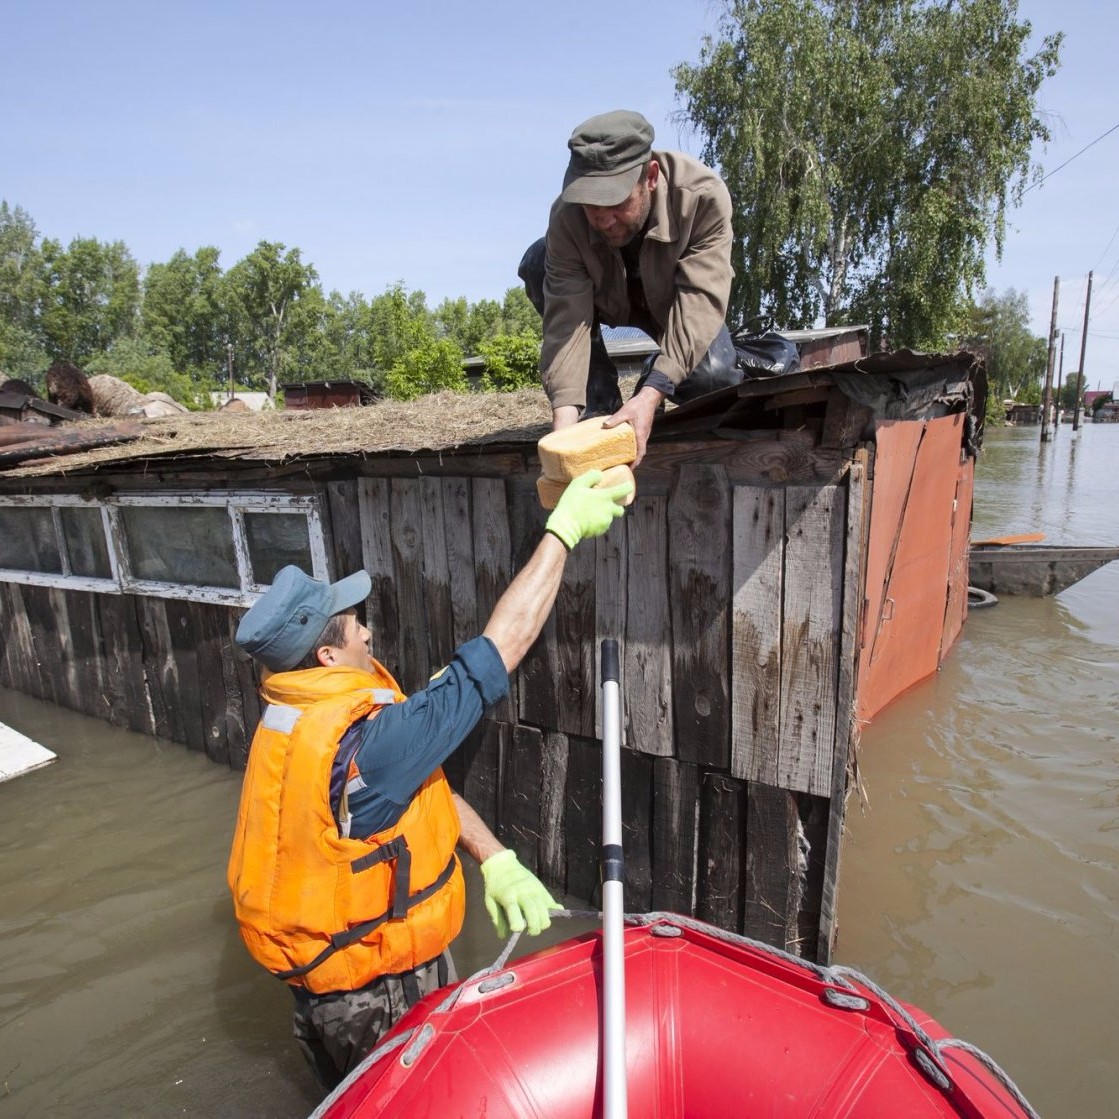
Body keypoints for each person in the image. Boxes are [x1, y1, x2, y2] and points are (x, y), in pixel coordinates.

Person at [227, 468, 633, 1092]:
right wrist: (563, 533)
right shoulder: (376, 741)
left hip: (326, 993)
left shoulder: (291, 718)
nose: (366, 630)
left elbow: (409, 793)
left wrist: (493, 857)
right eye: (354, 622)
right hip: (380, 999)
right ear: (328, 656)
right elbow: (497, 653)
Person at [520, 108, 743, 465]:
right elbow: (566, 317)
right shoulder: (566, 217)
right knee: (537, 261)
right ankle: (598, 404)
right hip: (609, 297)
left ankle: (661, 367)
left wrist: (654, 390)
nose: (602, 218)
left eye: (615, 201)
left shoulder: (702, 198)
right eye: (591, 205)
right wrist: (564, 421)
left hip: (677, 307)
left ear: (650, 176)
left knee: (712, 381)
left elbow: (701, 300)